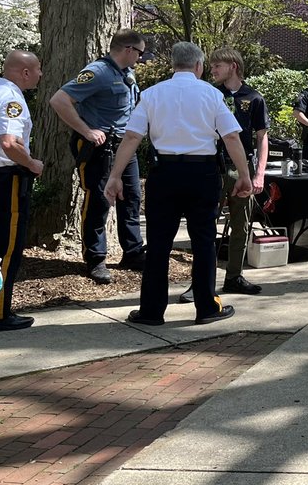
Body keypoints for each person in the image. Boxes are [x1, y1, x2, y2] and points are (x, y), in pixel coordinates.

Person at [103, 42, 250, 326]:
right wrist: (243, 174)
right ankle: (207, 307)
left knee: (158, 243)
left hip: (164, 173)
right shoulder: (211, 94)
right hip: (202, 174)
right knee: (204, 241)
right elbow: (231, 137)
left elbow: (132, 137)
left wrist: (115, 175)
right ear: (199, 66)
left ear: (173, 65)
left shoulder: (152, 94)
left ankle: (151, 311)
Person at [49, 28, 148, 284]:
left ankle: (133, 252)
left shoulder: (127, 73)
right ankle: (95, 259)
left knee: (132, 197)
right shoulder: (98, 72)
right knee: (99, 201)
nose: (141, 58)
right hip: (100, 148)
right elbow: (59, 100)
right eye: (140, 52)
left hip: (124, 146)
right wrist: (86, 130)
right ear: (128, 50)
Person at [203, 47, 269, 297]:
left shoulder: (254, 98)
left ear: (233, 65)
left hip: (242, 168)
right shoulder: (210, 95)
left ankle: (234, 277)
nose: (213, 70)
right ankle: (200, 281)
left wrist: (259, 174)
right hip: (213, 166)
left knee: (241, 226)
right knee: (205, 224)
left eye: (217, 66)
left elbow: (262, 137)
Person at [0, 51, 44, 331]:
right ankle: (0, 312)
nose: (40, 74)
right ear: (25, 72)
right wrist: (32, 163)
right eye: (38, 69)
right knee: (7, 246)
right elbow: (9, 143)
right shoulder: (12, 98)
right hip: (7, 180)